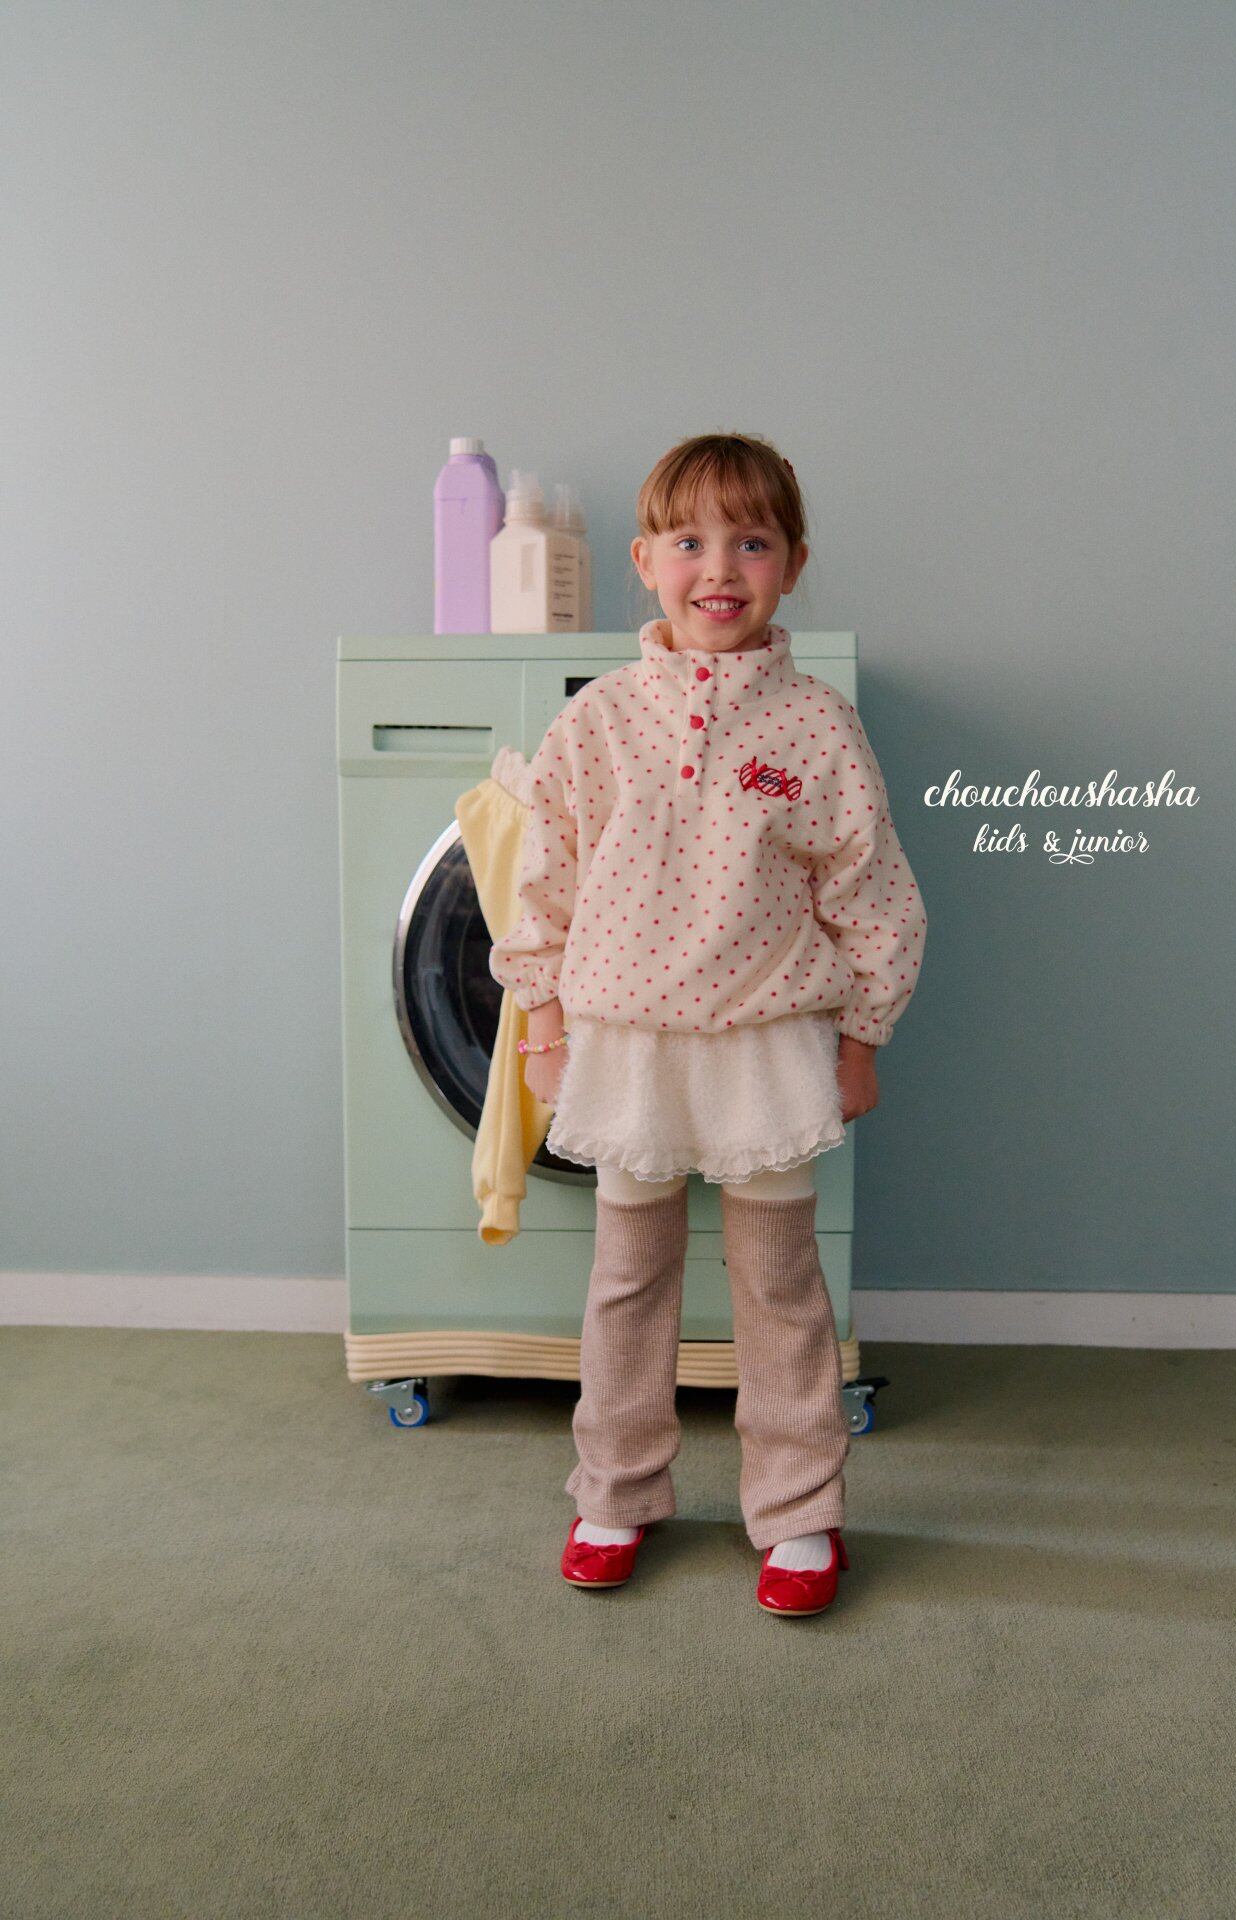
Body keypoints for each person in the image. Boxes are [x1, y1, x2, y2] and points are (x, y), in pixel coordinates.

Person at [488, 433, 927, 1614]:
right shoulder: (599, 721)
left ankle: (797, 1511)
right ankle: (614, 1492)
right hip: (625, 1043)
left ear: (791, 564)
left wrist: (860, 1040)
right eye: (689, 541)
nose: (719, 567)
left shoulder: (816, 727)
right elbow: (543, 884)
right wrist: (542, 1025)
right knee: (626, 1283)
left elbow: (872, 896)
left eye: (751, 541)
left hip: (765, 1044)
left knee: (779, 1289)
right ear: (645, 562)